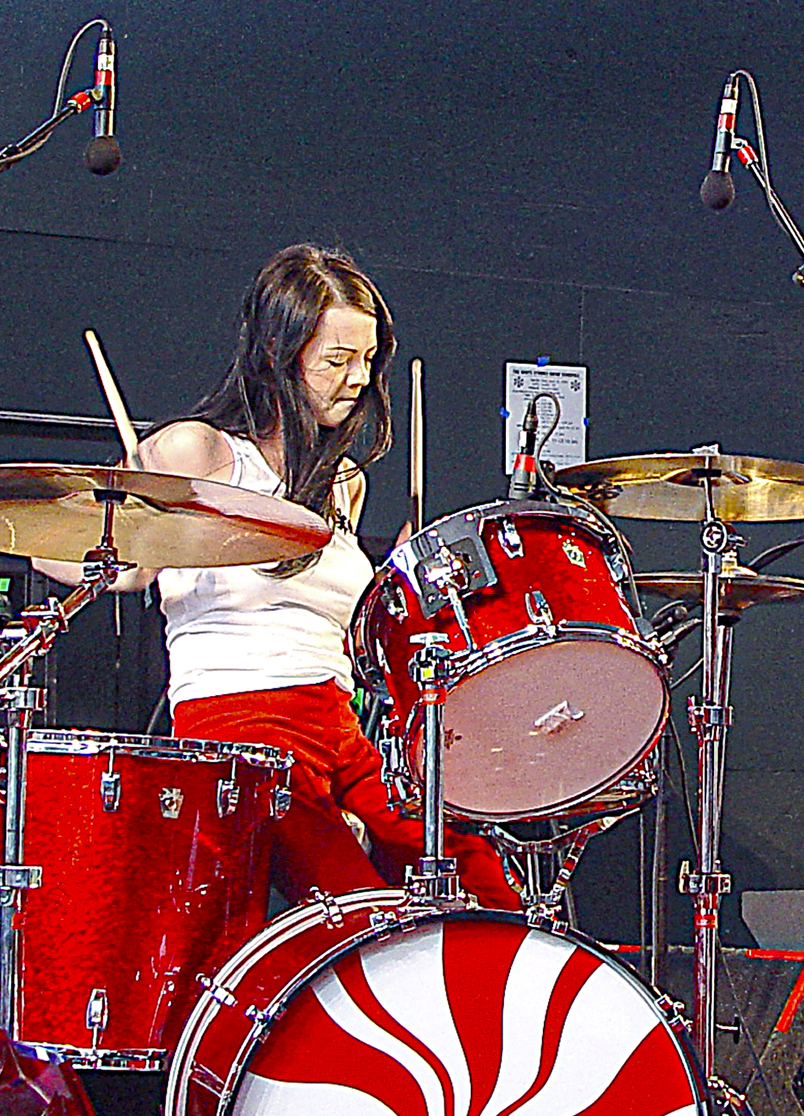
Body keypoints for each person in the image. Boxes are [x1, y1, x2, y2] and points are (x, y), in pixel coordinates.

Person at [36, 243, 518, 910]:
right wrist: (91, 546)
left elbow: (340, 627)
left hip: (338, 722)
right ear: (277, 355)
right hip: (239, 721)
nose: (358, 378)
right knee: (355, 905)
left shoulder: (344, 482)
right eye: (337, 360)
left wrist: (395, 590)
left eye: (369, 358)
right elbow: (82, 558)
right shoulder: (198, 450)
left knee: (466, 864)